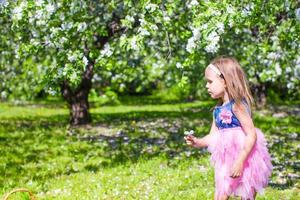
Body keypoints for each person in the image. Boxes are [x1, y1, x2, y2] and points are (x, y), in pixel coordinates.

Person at [184, 57, 273, 200]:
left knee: (247, 193)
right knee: (221, 192)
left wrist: (240, 161)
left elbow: (251, 134)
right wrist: (198, 142)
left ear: (225, 81)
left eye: (210, 81)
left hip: (245, 157)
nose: (207, 86)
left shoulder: (237, 106)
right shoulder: (217, 110)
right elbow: (213, 136)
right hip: (225, 159)